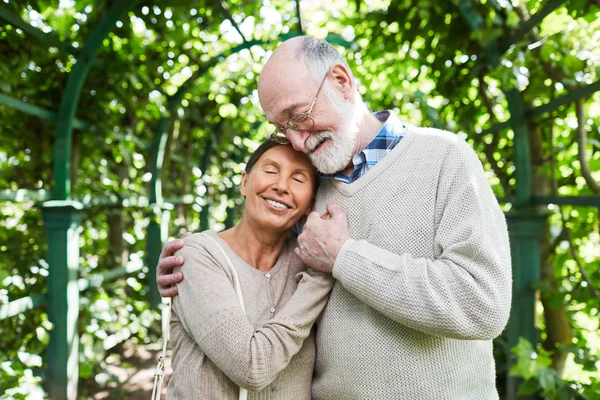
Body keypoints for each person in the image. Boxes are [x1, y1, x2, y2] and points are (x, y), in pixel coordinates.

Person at [158, 36, 512, 399]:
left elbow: (483, 304)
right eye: (281, 128)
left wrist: (345, 257)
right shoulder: (306, 188)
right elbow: (257, 269)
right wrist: (189, 265)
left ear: (341, 81)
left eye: (299, 115)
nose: (296, 141)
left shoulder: (445, 156)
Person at [166, 139, 333, 399]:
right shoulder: (198, 255)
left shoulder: (307, 258)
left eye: (298, 179)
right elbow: (252, 369)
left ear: (309, 204)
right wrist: (322, 275)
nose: (281, 186)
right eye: (270, 170)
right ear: (245, 182)